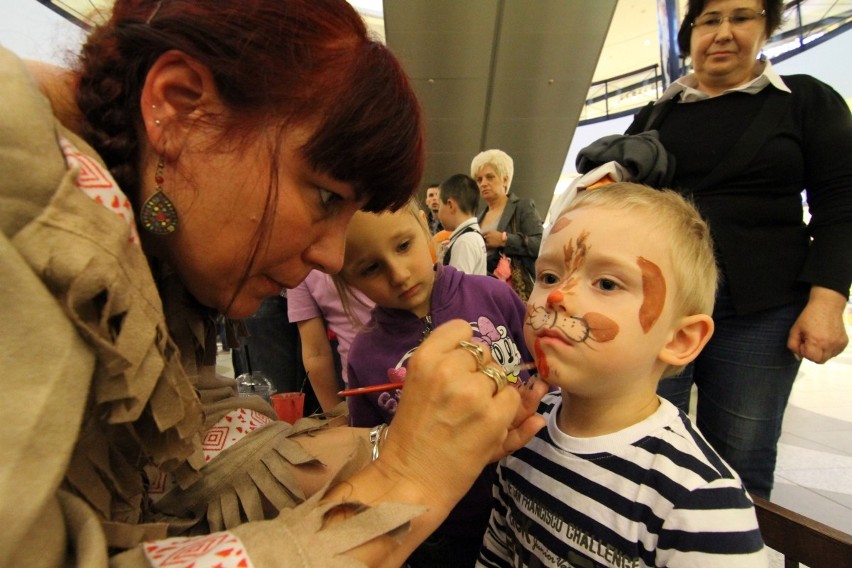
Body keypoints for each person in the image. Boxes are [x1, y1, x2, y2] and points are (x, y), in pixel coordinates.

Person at [0, 1, 549, 565]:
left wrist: (423, 441)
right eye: (325, 197)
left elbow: (194, 456)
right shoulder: (22, 214)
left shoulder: (139, 252)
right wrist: (407, 480)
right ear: (178, 105)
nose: (330, 258)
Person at [621, 0, 852, 498]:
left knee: (741, 458)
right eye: (709, 20)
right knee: (644, 444)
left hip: (762, 310)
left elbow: (842, 204)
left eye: (742, 17)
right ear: (690, 35)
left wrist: (828, 300)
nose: (724, 32)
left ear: (766, 26)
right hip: (662, 308)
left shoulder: (805, 100)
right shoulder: (654, 114)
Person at [479, 183, 767, 567]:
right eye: (548, 276)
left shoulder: (698, 501)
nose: (557, 296)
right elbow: (499, 545)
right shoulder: (523, 426)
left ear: (680, 339)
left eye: (607, 284)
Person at [337, 200, 533, 568]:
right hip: (445, 531)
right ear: (348, 280)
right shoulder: (364, 355)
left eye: (403, 246)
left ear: (427, 233)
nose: (398, 274)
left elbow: (546, 375)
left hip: (531, 503)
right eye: (370, 267)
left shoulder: (492, 294)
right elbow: (369, 450)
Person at [287, 270, 375, 412]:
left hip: (416, 375)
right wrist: (335, 417)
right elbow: (316, 353)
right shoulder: (299, 268)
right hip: (359, 392)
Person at [471, 149, 543, 299]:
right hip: (483, 292)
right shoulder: (476, 219)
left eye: (490, 177)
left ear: (505, 179)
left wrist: (504, 239)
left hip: (514, 293)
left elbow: (541, 244)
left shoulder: (522, 206)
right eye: (479, 179)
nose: (483, 183)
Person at [437, 173, 487, 275]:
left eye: (439, 206)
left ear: (450, 205)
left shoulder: (465, 241)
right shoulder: (471, 236)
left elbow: (456, 287)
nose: (438, 213)